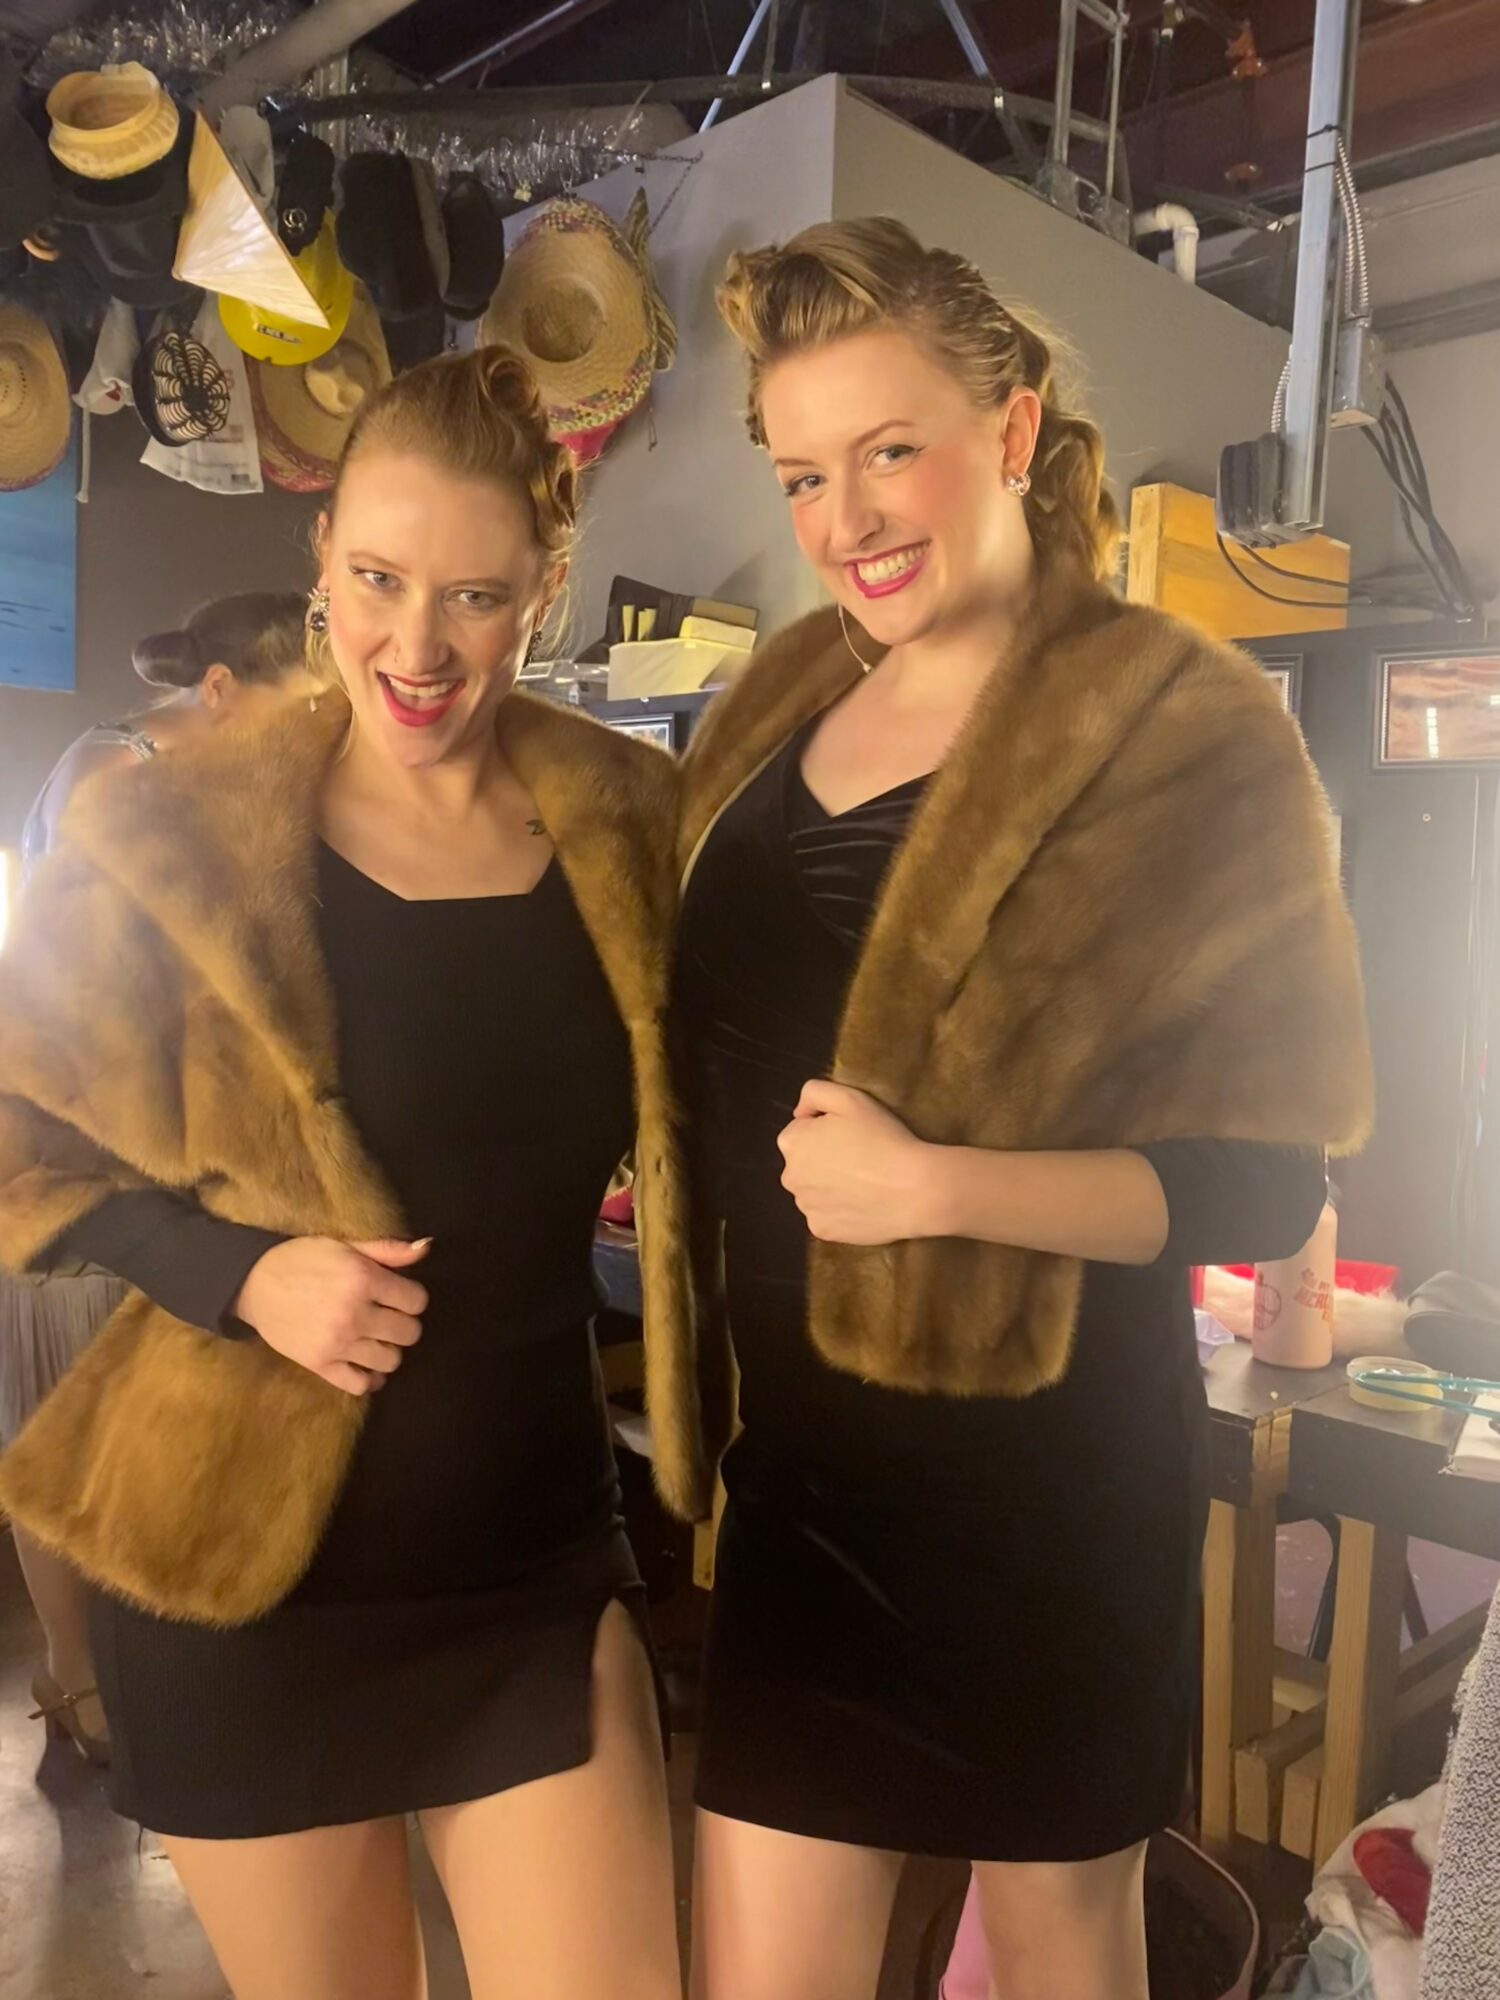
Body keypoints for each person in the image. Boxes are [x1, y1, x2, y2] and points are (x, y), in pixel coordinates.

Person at [675, 218, 1374, 2000]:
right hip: (805, 1498)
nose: (847, 519)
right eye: (804, 471)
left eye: (890, 448)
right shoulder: (768, 718)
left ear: (1009, 425)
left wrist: (937, 1188)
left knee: (1065, 1948)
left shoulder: (1182, 733)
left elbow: (1263, 1179)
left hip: (1050, 1507)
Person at [0, 347, 711, 2000]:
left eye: (472, 594)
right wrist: (236, 1268)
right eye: (379, 579)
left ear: (543, 593)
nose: (416, 642)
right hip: (246, 1582)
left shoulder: (632, 827)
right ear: (321, 559)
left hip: (531, 1564)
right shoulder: (176, 837)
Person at [4, 590, 307, 1767]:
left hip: (119, 1148)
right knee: (61, 1434)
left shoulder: (154, 773)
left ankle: (95, 1682)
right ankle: (82, 1684)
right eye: (291, 718)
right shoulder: (118, 781)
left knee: (82, 1425)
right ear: (219, 693)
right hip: (77, 1149)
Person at [20, 591, 309, 874]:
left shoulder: (194, 773)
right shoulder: (113, 772)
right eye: (296, 709)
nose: (306, 729)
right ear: (217, 685)